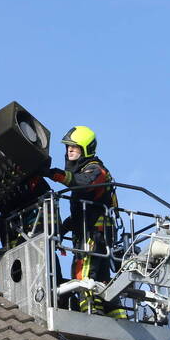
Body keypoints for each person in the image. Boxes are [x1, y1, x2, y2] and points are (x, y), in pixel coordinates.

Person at [42, 126, 126, 319]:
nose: (70, 150)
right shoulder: (85, 171)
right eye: (68, 147)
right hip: (93, 231)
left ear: (86, 149)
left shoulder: (96, 170)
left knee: (83, 273)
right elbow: (81, 213)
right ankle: (117, 315)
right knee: (102, 280)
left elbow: (83, 182)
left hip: (94, 233)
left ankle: (90, 312)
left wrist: (54, 174)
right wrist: (62, 229)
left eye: (75, 147)